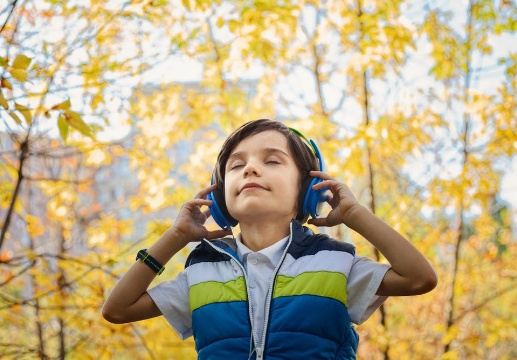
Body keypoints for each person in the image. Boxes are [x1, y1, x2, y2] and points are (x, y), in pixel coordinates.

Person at [102, 119, 437, 359]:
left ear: (307, 190)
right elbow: (117, 309)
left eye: (272, 160)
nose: (249, 169)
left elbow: (419, 277)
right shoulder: (202, 273)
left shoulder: (334, 263)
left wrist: (354, 213)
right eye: (236, 166)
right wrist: (175, 237)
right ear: (220, 198)